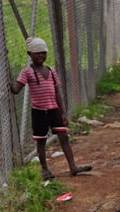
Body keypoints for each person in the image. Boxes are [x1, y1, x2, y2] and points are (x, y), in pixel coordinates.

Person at [9, 37, 92, 181]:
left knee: (64, 137)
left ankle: (73, 166)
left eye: (43, 53)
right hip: (39, 112)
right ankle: (44, 169)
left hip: (54, 110)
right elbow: (16, 89)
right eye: (37, 53)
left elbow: (57, 92)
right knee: (41, 141)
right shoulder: (27, 72)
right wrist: (10, 82)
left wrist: (63, 112)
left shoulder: (51, 71)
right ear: (30, 54)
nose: (41, 56)